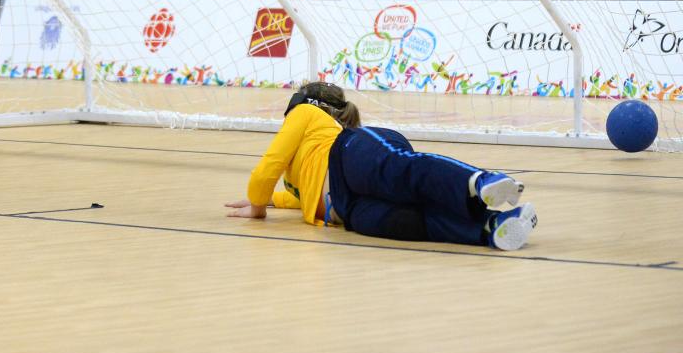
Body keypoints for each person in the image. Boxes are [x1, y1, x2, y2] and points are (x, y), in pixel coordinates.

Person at [225, 82, 538, 251]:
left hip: (345, 155)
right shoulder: (301, 170)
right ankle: (491, 227)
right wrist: (268, 200)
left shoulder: (307, 115)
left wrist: (257, 203)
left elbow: (270, 164)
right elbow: (296, 198)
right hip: (343, 209)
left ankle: (480, 182)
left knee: (401, 170)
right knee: (407, 222)